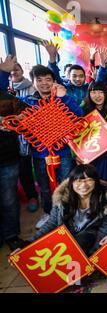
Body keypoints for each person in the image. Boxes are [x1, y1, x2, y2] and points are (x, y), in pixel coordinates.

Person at [1, 59, 83, 229]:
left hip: (63, 152)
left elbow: (79, 114)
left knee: (66, 184)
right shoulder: (27, 102)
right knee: (45, 188)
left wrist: (64, 98)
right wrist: (18, 121)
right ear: (33, 82)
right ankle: (49, 213)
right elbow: (19, 124)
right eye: (39, 80)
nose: (44, 83)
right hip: (40, 154)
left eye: (48, 79)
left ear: (54, 81)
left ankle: (68, 214)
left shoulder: (62, 96)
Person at [17, 164, 107, 255]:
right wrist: (28, 243)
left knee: (79, 242)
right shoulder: (62, 198)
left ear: (96, 181)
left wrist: (94, 253)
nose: (83, 185)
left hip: (89, 237)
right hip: (65, 235)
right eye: (78, 181)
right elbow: (51, 223)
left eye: (88, 180)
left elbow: (104, 230)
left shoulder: (106, 201)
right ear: (72, 183)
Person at [7, 62, 39, 212]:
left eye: (17, 69)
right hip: (10, 137)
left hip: (28, 136)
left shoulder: (32, 87)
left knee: (26, 168)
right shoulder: (5, 89)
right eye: (11, 71)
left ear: (21, 71)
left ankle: (32, 196)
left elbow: (35, 111)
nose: (14, 72)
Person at [0, 86, 28, 250]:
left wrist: (18, 120)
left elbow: (26, 118)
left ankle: (11, 235)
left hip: (7, 158)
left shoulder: (8, 97)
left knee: (9, 199)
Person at [81, 81, 107, 183]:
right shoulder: (83, 110)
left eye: (100, 92)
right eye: (93, 92)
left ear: (106, 93)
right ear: (89, 94)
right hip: (90, 152)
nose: (97, 96)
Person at [44, 41, 107, 106]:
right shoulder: (64, 88)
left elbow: (100, 83)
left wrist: (103, 64)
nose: (78, 79)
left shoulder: (89, 88)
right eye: (74, 76)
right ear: (69, 76)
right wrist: (52, 58)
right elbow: (55, 74)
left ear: (85, 77)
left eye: (81, 76)